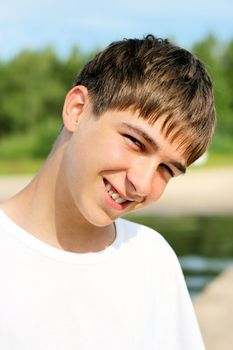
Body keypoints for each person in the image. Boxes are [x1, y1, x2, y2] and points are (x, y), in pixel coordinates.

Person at [0, 35, 215, 349]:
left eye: (166, 170)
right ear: (77, 110)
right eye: (135, 142)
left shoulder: (153, 261)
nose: (142, 183)